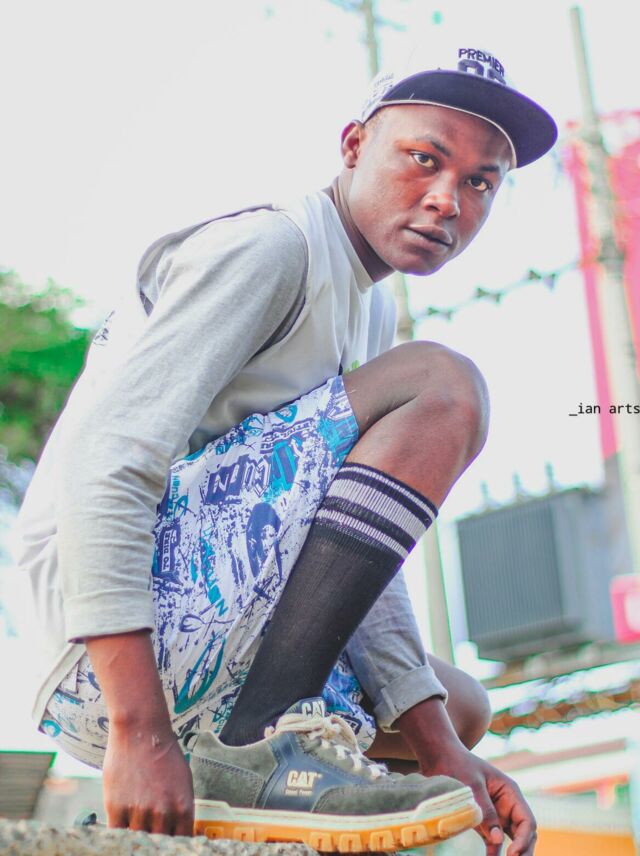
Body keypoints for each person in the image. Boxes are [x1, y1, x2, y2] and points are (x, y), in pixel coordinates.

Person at [16, 44, 556, 855]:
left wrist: (445, 754)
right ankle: (254, 749)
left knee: (458, 710)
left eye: (481, 182)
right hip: (104, 654)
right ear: (353, 146)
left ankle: (263, 774)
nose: (448, 199)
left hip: (205, 634)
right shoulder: (275, 249)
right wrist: (138, 729)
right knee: (445, 385)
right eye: (425, 158)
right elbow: (107, 462)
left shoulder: (369, 311)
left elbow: (344, 551)